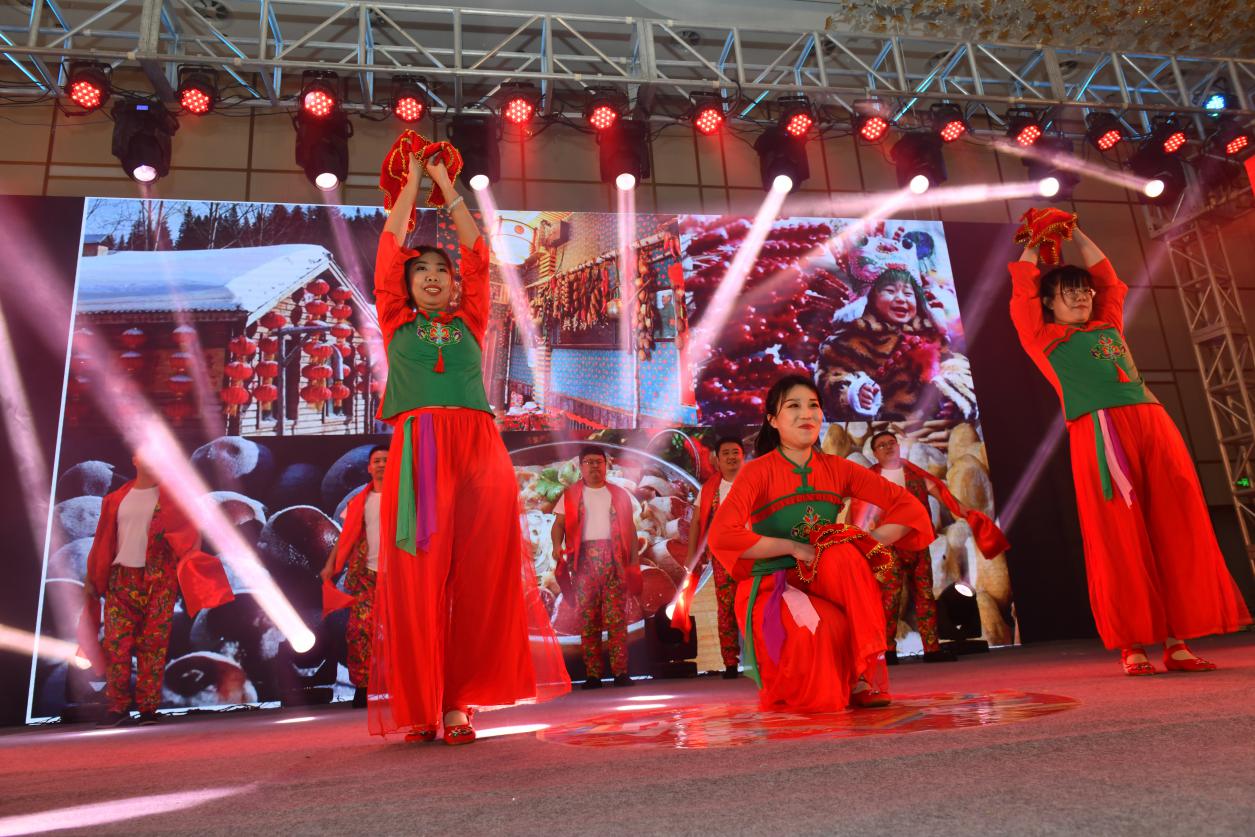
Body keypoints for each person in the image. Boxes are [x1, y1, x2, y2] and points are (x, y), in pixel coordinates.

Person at [370, 149, 568, 744]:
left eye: (442, 270)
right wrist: (411, 183)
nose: (433, 276)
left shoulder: (469, 322)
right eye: (421, 271)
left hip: (479, 449)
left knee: (476, 579)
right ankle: (421, 707)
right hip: (421, 451)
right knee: (419, 581)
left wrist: (446, 186)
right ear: (406, 285)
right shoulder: (395, 320)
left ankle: (458, 703)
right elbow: (388, 250)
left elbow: (479, 255)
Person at [1009, 219, 1250, 675]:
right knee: (1120, 538)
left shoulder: (1109, 324)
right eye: (1069, 292)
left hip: (1153, 425)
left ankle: (1177, 642)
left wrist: (1076, 232)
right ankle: (1132, 645)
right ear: (1048, 303)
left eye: (1083, 291)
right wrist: (1036, 242)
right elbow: (1022, 289)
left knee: (1176, 529)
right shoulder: (1042, 338)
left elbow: (1109, 279)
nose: (1082, 297)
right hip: (1101, 433)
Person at [708, 375, 934, 712]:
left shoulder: (838, 468)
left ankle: (861, 674)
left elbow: (909, 507)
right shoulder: (757, 472)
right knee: (822, 629)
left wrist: (867, 541)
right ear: (773, 420)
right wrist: (793, 547)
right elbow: (722, 535)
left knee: (844, 551)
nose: (807, 414)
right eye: (793, 406)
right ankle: (834, 682)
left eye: (813, 405)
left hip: (824, 576)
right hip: (775, 584)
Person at [83, 453, 232, 726]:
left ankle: (148, 708)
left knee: (153, 646)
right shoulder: (114, 500)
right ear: (135, 460)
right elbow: (103, 540)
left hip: (159, 580)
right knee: (116, 646)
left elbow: (190, 537)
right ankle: (117, 707)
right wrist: (93, 577)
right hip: (121, 579)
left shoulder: (174, 501)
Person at [851, 431, 962, 663]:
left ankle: (932, 649)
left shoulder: (916, 474)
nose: (888, 447)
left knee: (925, 595)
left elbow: (943, 495)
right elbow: (859, 514)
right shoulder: (868, 479)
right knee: (889, 599)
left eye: (891, 443)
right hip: (888, 546)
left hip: (917, 543)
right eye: (882, 445)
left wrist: (967, 512)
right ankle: (887, 651)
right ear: (874, 453)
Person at [815, 268, 975, 422]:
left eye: (908, 293)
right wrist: (854, 392)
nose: (901, 299)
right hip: (881, 428)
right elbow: (830, 376)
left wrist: (955, 393)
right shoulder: (849, 337)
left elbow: (953, 362)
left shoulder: (929, 332)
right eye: (890, 291)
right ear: (869, 297)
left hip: (930, 428)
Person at [551, 446, 640, 690]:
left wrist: (633, 561)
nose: (594, 467)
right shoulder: (570, 494)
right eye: (589, 462)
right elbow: (558, 525)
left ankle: (621, 673)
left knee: (617, 619)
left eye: (598, 462)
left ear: (606, 465)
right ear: (581, 466)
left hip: (615, 560)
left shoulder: (619, 494)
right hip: (583, 563)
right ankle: (593, 675)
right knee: (589, 620)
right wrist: (557, 546)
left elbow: (631, 529)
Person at [321, 445, 388, 709]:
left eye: (386, 460)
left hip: (401, 577)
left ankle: (413, 685)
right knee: (359, 631)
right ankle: (363, 687)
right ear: (369, 467)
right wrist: (330, 565)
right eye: (377, 461)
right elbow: (345, 536)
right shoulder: (359, 500)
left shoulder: (409, 497)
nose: (381, 464)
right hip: (365, 577)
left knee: (407, 633)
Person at [686, 436, 747, 678]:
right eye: (726, 453)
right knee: (726, 609)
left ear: (743, 456)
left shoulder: (756, 481)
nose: (731, 457)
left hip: (757, 554)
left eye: (735, 452)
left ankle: (763, 658)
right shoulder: (710, 488)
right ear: (717, 460)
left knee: (758, 606)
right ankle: (730, 663)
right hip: (723, 556)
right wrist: (692, 555)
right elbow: (696, 522)